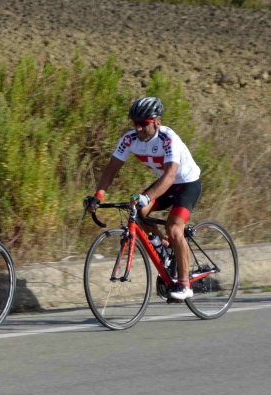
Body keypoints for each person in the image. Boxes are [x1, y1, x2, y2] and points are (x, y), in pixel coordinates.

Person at [84, 97, 201, 300]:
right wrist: (97, 196)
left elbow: (170, 175)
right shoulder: (129, 140)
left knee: (174, 227)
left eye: (143, 123)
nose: (137, 128)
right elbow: (111, 170)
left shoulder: (168, 138)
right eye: (134, 123)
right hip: (166, 184)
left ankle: (184, 284)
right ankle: (161, 245)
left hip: (187, 184)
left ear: (157, 122)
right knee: (137, 212)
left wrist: (147, 196)